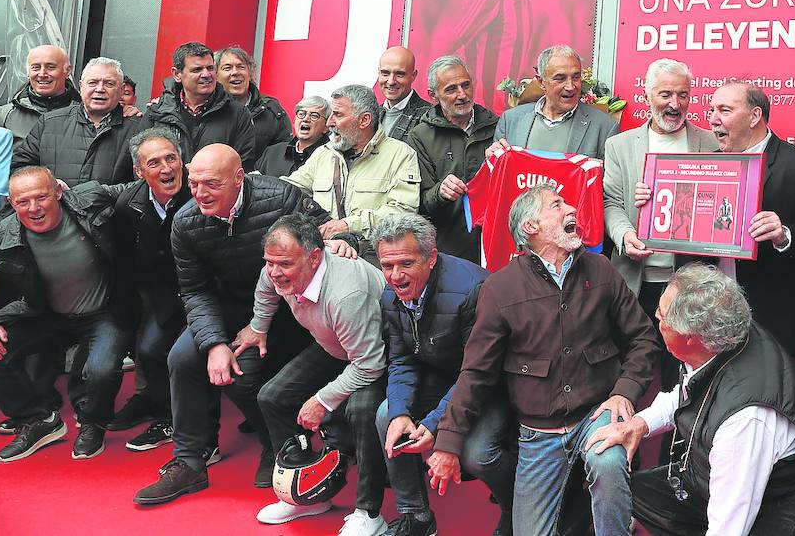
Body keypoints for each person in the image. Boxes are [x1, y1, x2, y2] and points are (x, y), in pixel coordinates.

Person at [426, 184, 661, 536]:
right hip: (539, 432)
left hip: (596, 413)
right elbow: (476, 373)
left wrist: (624, 393)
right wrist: (447, 443)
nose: (571, 209)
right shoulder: (500, 289)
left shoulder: (601, 270)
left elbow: (643, 338)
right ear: (530, 229)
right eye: (557, 205)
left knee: (608, 460)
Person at [132, 144, 357, 505]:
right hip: (231, 306)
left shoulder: (281, 196)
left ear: (239, 178)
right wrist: (214, 343)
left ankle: (278, 445)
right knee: (182, 358)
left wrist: (344, 240)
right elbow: (195, 290)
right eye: (195, 184)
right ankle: (190, 460)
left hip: (289, 306)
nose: (200, 193)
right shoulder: (186, 222)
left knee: (245, 372)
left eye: (211, 184)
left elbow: (325, 232)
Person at [588, 263, 795, 536]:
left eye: (662, 316)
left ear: (691, 337)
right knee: (632, 491)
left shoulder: (744, 420)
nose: (656, 317)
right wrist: (640, 424)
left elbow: (728, 528)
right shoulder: (718, 336)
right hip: (729, 477)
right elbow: (684, 393)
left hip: (794, 498)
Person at [372, 213, 515, 536]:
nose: (395, 276)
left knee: (479, 454)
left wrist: (435, 423)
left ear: (431, 257)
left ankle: (515, 506)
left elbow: (478, 373)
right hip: (442, 376)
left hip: (490, 382)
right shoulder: (389, 296)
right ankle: (417, 517)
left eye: (406, 264)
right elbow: (402, 359)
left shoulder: (472, 290)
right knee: (386, 416)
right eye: (387, 266)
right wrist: (401, 414)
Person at [246, 215, 390, 534]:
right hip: (335, 346)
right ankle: (308, 497)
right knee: (273, 397)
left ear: (314, 257)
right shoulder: (279, 268)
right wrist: (258, 326)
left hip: (378, 353)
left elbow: (370, 364)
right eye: (269, 262)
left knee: (362, 411)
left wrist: (322, 400)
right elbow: (265, 285)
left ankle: (370, 514)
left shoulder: (345, 294)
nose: (274, 271)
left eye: (282, 263)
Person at [677, 80, 795, 355]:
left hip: (771, 317)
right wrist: (655, 199)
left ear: (754, 116)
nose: (713, 119)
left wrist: (784, 234)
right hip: (710, 314)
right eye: (712, 110)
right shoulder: (706, 164)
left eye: (724, 110)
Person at [0, 167, 131, 462]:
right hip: (46, 313)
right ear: (11, 204)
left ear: (58, 192)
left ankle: (93, 423)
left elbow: (135, 191)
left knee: (102, 371)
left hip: (102, 310)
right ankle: (39, 420)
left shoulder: (89, 198)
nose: (34, 208)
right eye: (23, 202)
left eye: (41, 197)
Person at [603, 59, 718, 319]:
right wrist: (624, 235)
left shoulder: (711, 144)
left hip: (693, 285)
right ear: (647, 96)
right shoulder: (618, 145)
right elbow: (610, 202)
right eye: (665, 94)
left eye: (683, 95)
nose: (674, 104)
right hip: (634, 282)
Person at [102, 128, 193, 452]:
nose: (167, 168)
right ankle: (164, 414)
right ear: (139, 172)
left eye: (171, 158)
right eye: (154, 163)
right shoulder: (130, 205)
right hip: (164, 291)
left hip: (209, 289)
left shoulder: (201, 192)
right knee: (151, 348)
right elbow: (127, 261)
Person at [282, 84, 420, 243]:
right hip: (325, 255)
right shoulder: (324, 153)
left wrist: (349, 225)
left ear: (364, 120)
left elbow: (403, 213)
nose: (329, 123)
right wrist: (258, 185)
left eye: (338, 115)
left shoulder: (401, 155)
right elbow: (289, 189)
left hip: (372, 258)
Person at [405, 55, 501, 263]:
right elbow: (417, 204)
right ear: (433, 95)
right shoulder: (420, 135)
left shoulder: (498, 126)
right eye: (451, 89)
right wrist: (440, 192)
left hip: (493, 244)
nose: (462, 94)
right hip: (448, 251)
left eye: (466, 85)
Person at [14, 57, 144, 186]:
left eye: (109, 84)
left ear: (121, 90)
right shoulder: (49, 122)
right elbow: (19, 170)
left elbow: (145, 184)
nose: (100, 89)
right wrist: (49, 185)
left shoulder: (138, 129)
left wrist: (95, 195)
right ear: (81, 86)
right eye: (92, 82)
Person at [144, 42, 258, 169]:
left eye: (210, 68)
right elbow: (142, 162)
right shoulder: (157, 113)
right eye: (197, 70)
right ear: (177, 74)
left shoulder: (238, 113)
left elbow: (243, 165)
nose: (206, 75)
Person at [493, 45, 618, 159]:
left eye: (576, 77)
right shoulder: (510, 120)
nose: (570, 86)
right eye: (560, 79)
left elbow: (609, 181)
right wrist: (492, 159)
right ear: (541, 82)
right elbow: (494, 176)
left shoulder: (604, 127)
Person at [0, 44, 80, 148]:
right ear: (28, 72)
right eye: (36, 67)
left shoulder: (87, 115)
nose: (42, 74)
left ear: (67, 71)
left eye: (50, 67)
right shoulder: (3, 116)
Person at [214, 45, 293, 154]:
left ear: (250, 74)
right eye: (227, 68)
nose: (235, 72)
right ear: (215, 76)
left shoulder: (271, 110)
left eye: (241, 67)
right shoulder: (207, 108)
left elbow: (282, 155)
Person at [254, 95, 331, 177]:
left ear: (327, 126)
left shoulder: (331, 158)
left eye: (314, 116)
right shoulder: (272, 152)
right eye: (301, 114)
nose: (305, 119)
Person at [378, 46, 435, 141]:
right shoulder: (372, 114)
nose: (391, 81)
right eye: (385, 73)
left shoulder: (430, 116)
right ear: (378, 73)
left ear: (413, 75)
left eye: (399, 74)